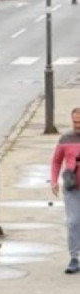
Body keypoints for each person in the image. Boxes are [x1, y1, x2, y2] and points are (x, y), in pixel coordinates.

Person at [51, 108, 80, 274]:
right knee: (73, 222)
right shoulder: (65, 139)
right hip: (72, 187)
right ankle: (74, 257)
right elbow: (56, 161)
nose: (77, 125)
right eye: (75, 122)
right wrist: (54, 181)